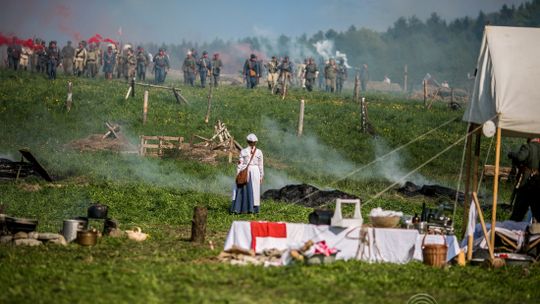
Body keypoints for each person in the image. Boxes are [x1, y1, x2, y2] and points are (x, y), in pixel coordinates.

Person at [230, 133, 264, 214]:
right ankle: (251, 209)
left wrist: (238, 174)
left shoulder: (244, 151)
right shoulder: (258, 152)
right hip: (253, 171)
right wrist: (261, 176)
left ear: (247, 141)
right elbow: (261, 165)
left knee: (245, 190)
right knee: (252, 190)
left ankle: (240, 209)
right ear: (255, 142)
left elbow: (239, 164)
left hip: (246, 170)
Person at [508, 138, 540, 222]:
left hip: (527, 181)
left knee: (519, 210)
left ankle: (511, 230)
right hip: (538, 182)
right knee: (537, 211)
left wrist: (511, 154)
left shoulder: (528, 147)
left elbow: (520, 157)